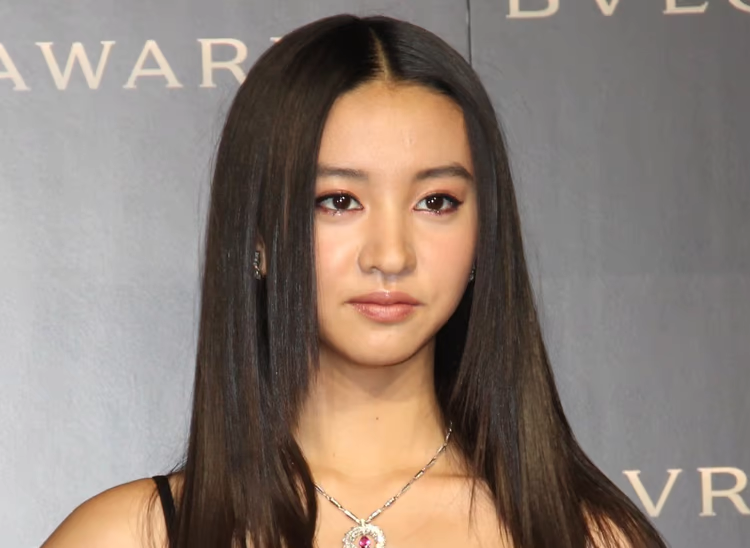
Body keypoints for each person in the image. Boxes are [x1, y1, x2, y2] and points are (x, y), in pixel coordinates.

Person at [41, 13, 668, 548]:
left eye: (437, 202)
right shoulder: (126, 535)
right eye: (338, 201)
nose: (391, 255)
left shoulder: (589, 535)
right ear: (258, 236)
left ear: (484, 233)